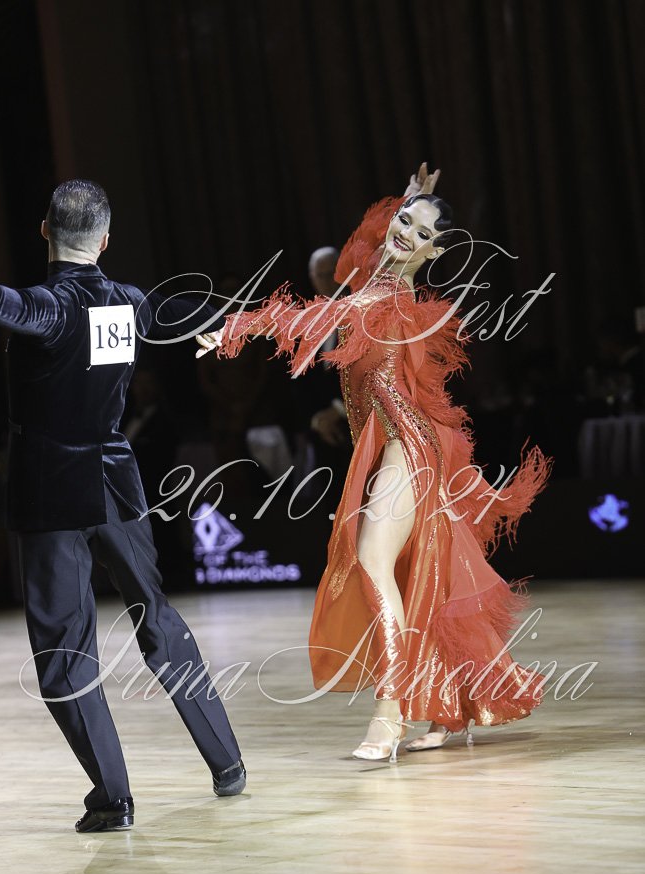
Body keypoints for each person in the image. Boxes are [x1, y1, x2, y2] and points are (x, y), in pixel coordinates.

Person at [197, 162, 552, 762]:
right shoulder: (376, 278)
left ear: (436, 252)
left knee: (373, 561)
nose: (405, 234)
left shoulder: (387, 297)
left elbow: (312, 316)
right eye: (403, 222)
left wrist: (239, 327)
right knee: (423, 577)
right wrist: (410, 200)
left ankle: (389, 715)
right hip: (392, 442)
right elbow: (357, 257)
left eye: (421, 233)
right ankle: (447, 705)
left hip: (408, 444)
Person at [0, 179, 246, 831]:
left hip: (52, 494)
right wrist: (234, 319)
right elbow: (180, 311)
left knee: (65, 651)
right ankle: (227, 762)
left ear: (45, 231)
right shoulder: (129, 303)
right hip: (116, 485)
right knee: (157, 617)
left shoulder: (44, 308)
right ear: (104, 240)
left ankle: (113, 797)